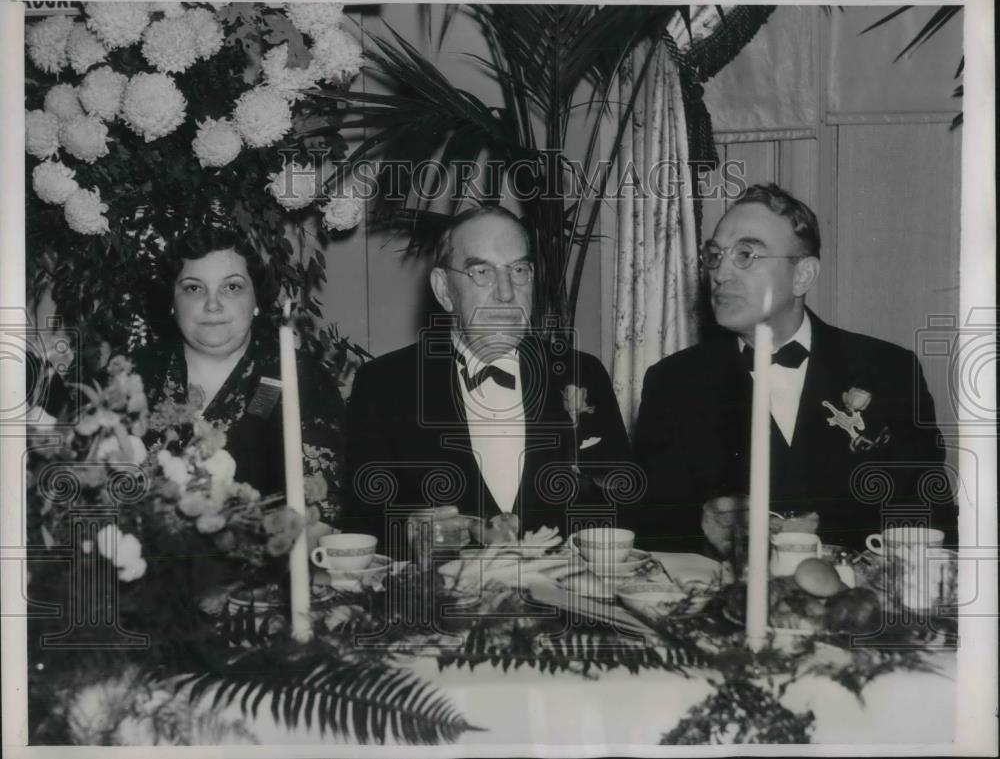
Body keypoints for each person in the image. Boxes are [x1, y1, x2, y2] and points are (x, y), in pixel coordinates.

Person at [632, 184, 957, 555]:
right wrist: (700, 525)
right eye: (715, 255)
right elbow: (645, 526)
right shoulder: (673, 382)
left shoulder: (889, 371)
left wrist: (826, 528)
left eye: (747, 254)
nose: (720, 273)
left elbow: (932, 517)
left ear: (803, 275)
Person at [343, 206, 632, 548]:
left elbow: (624, 509)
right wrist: (406, 531)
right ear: (444, 289)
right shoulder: (384, 385)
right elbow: (359, 526)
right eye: (482, 272)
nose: (507, 293)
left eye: (519, 269)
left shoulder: (583, 373)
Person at [132, 224, 346, 522]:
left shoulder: (297, 376)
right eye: (194, 288)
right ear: (172, 302)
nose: (213, 305)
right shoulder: (132, 376)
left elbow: (322, 512)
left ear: (256, 301)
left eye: (231, 287)